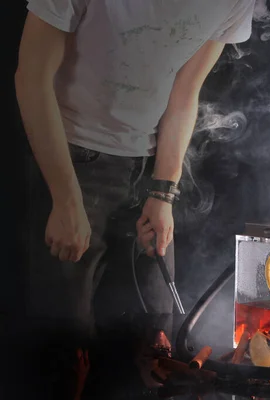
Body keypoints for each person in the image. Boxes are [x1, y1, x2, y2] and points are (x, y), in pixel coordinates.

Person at [15, 0, 256, 398]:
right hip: (69, 158)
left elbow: (184, 93)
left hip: (149, 167)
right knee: (66, 346)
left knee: (152, 342)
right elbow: (32, 78)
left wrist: (164, 192)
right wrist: (65, 196)